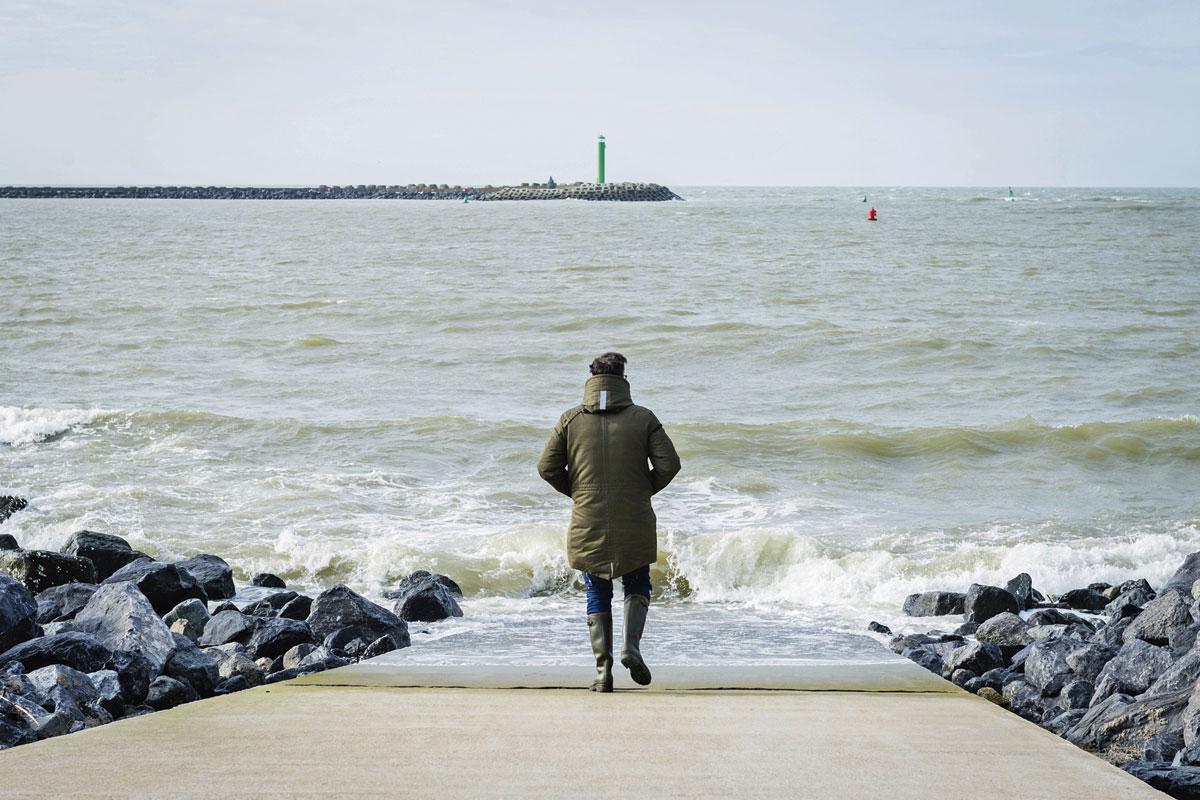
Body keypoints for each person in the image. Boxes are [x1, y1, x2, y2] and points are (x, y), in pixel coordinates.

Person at [537, 352, 681, 692]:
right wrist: (643, 489)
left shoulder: (570, 421)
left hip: (589, 516)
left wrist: (577, 491)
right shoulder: (643, 419)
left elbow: (546, 467)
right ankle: (631, 648)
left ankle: (603, 672)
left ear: (591, 377)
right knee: (637, 582)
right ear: (623, 378)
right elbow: (670, 465)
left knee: (596, 589)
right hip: (634, 513)